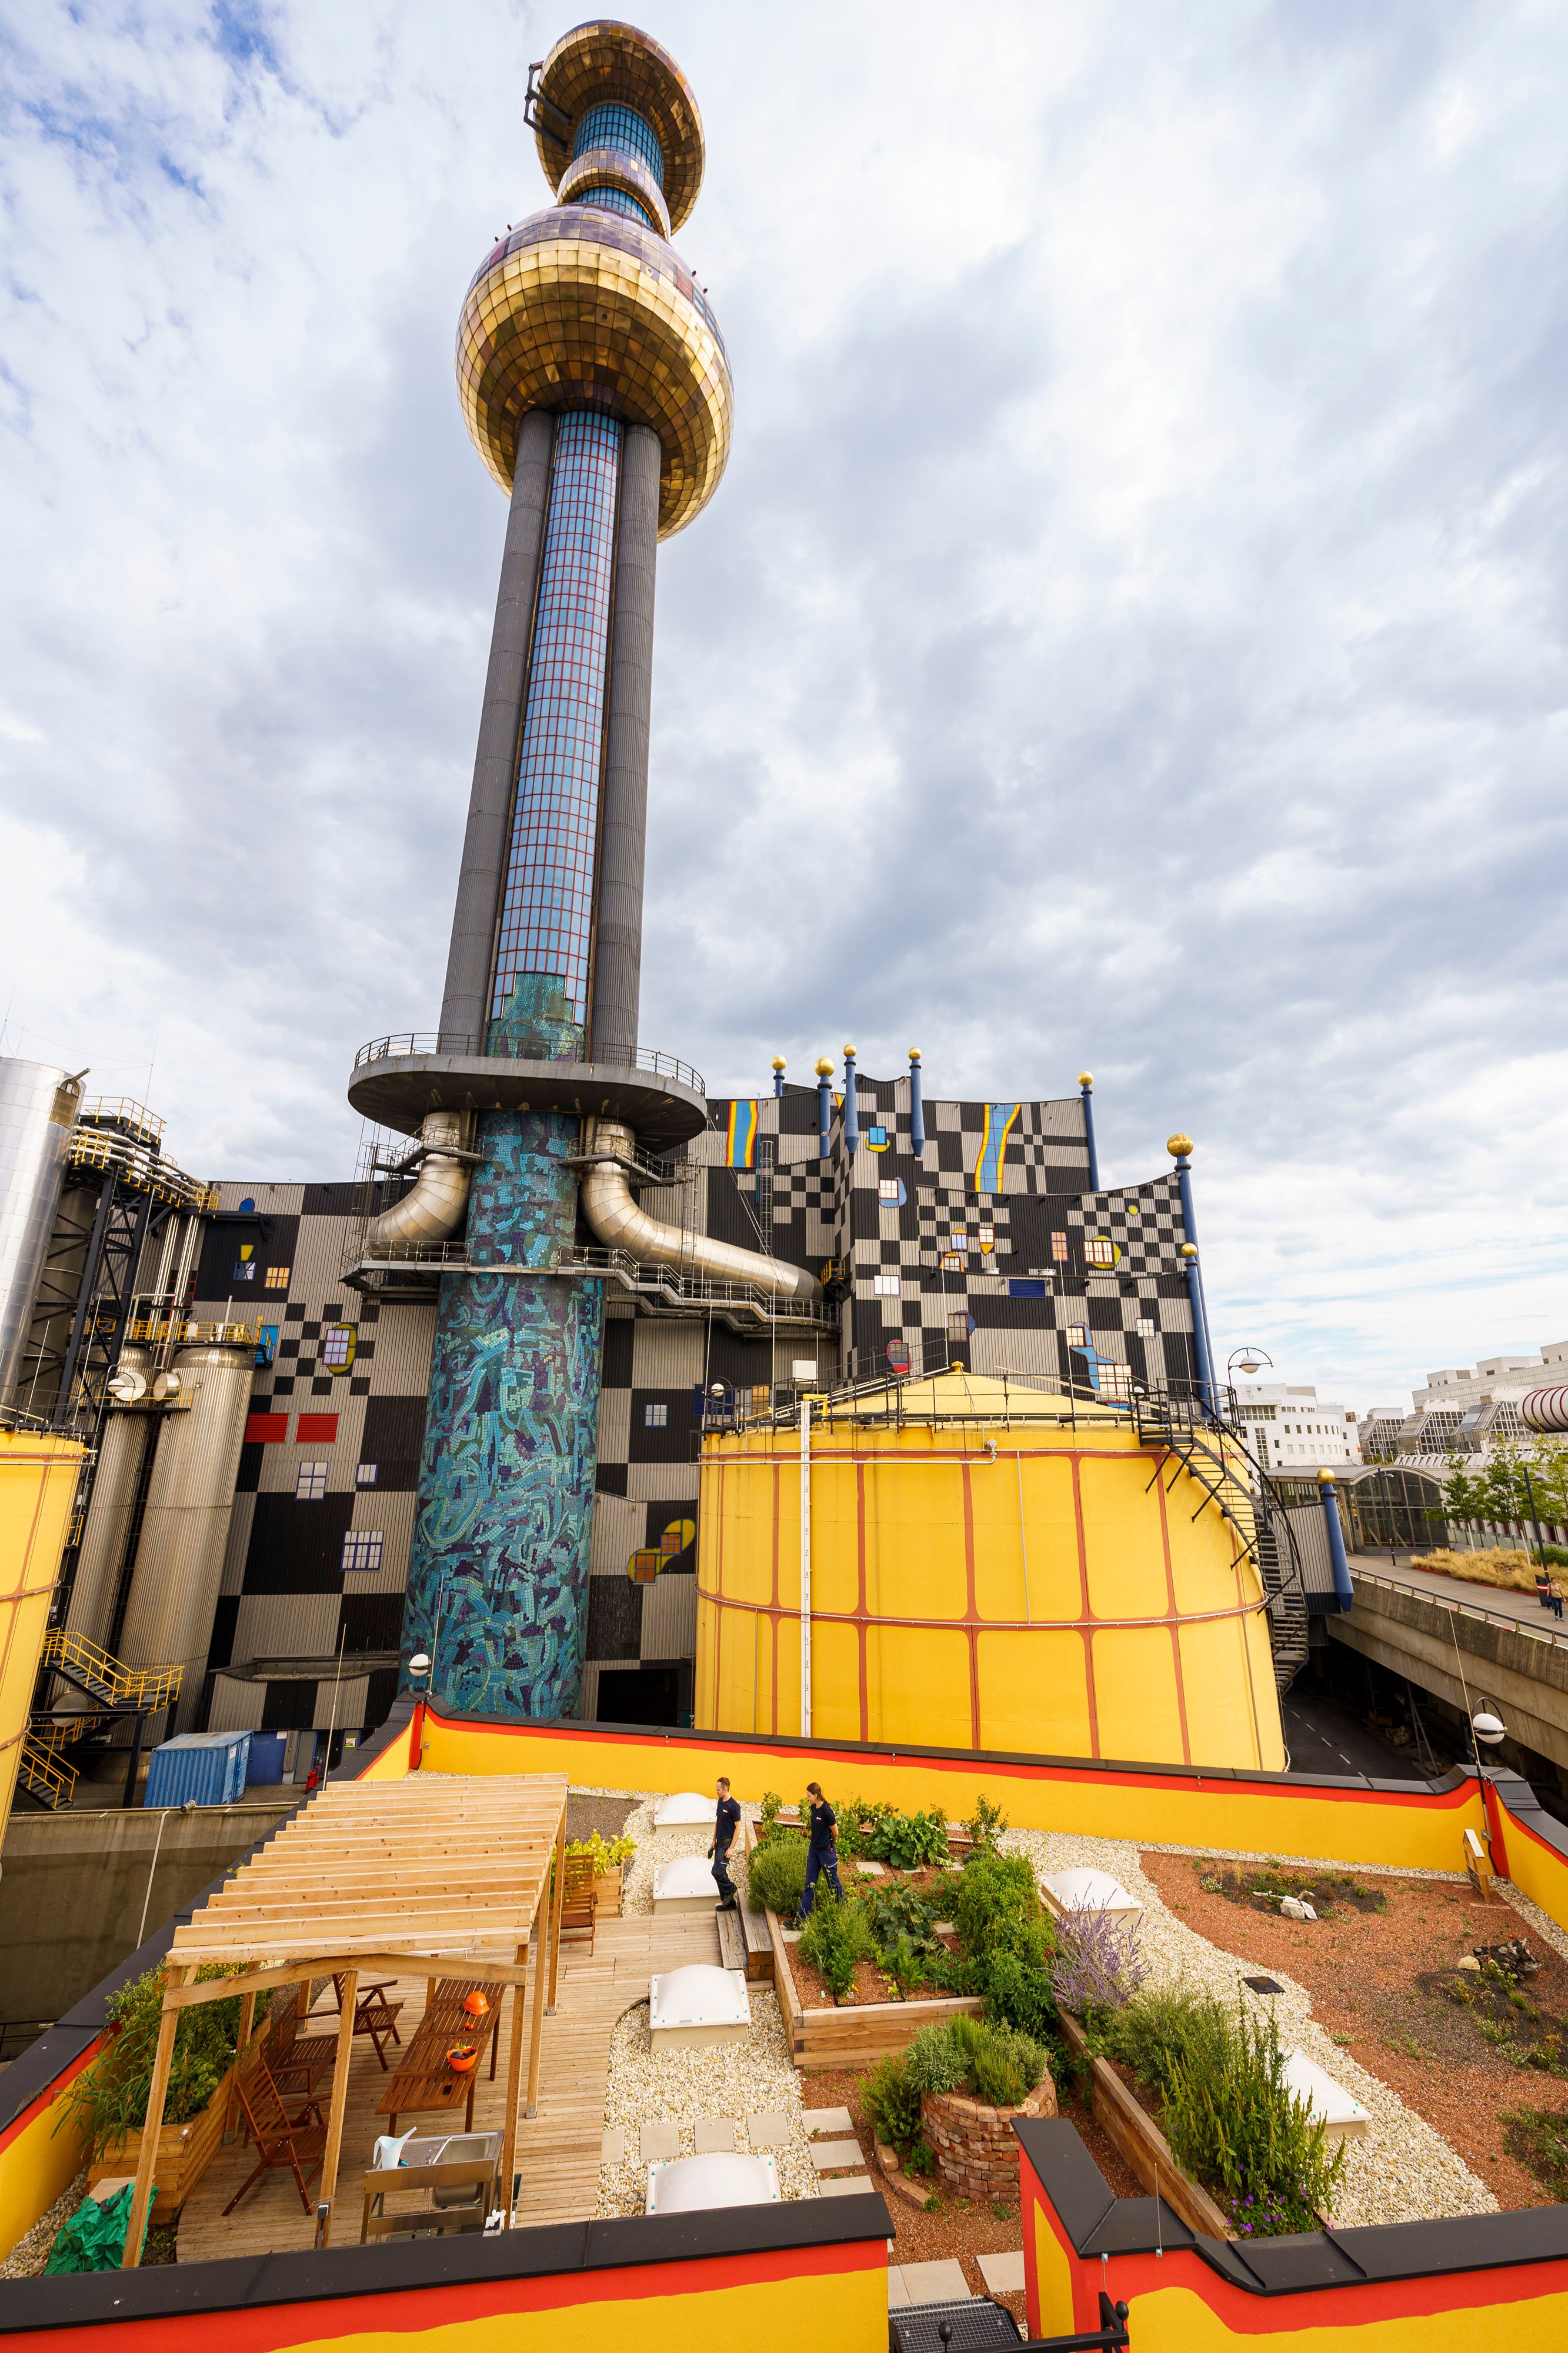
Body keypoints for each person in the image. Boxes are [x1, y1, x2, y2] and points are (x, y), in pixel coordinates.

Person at [796, 1780, 845, 1922]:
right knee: (809, 1884)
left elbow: (835, 1833)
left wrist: (829, 1845)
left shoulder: (827, 1812)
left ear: (816, 1795)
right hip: (814, 1851)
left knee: (833, 1883)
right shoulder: (813, 1808)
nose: (807, 1798)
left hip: (825, 1852)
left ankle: (844, 1911)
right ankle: (801, 1919)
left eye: (809, 1796)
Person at [709, 1775, 740, 1912]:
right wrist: (713, 1841)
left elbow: (738, 1827)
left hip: (727, 1844)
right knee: (718, 1872)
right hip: (719, 1843)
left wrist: (732, 1847)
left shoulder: (734, 1806)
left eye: (718, 1790)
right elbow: (718, 1821)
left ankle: (731, 1888)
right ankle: (729, 1903)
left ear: (725, 1789)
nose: (716, 1792)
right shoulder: (721, 1802)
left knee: (718, 1872)